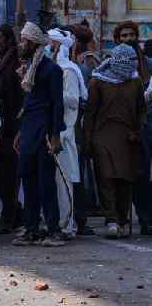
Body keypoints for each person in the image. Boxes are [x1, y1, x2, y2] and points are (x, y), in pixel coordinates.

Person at [12, 22, 67, 247]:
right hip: (28, 131)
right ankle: (31, 229)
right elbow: (28, 103)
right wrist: (20, 132)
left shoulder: (51, 69)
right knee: (28, 179)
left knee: (46, 182)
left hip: (44, 132)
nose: (20, 44)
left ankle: (53, 230)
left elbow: (57, 104)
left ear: (33, 43)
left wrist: (55, 135)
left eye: (24, 40)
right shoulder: (27, 69)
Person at [85, 44, 145, 238]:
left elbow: (141, 109)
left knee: (125, 180)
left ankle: (122, 219)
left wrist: (138, 131)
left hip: (127, 137)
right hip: (102, 136)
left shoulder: (135, 81)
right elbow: (91, 113)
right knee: (106, 178)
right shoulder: (97, 82)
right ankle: (111, 220)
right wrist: (88, 140)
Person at [48, 28, 86, 239]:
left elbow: (72, 100)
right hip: (47, 132)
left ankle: (66, 226)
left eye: (51, 44)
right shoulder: (45, 69)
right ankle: (52, 222)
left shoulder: (68, 71)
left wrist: (51, 94)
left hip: (63, 133)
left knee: (64, 182)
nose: (47, 48)